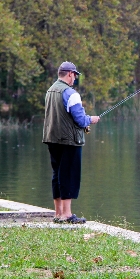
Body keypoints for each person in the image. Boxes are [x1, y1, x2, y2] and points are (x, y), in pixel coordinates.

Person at [42, 61, 100, 224]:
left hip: (52, 139)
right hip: (69, 141)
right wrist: (92, 119)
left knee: (57, 174)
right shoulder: (71, 93)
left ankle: (58, 213)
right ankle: (67, 215)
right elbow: (81, 120)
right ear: (69, 74)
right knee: (69, 175)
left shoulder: (50, 91)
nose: (75, 78)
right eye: (75, 75)